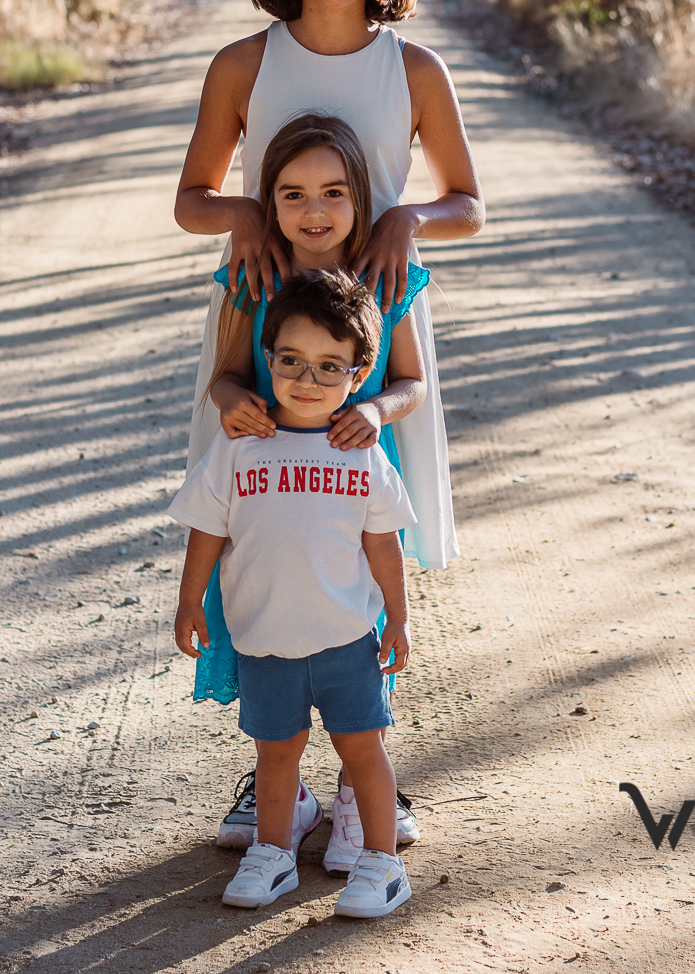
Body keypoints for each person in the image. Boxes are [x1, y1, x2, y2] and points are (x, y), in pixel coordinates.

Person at [175, 0, 485, 843]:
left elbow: (468, 203)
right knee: (262, 538)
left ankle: (363, 781)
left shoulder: (414, 68)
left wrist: (407, 220)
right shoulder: (244, 63)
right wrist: (243, 219)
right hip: (266, 314)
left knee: (364, 536)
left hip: (372, 323)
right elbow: (191, 199)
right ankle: (274, 779)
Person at [201, 112, 427, 872]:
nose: (315, 211)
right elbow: (225, 374)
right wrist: (230, 397)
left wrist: (374, 407)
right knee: (279, 618)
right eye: (292, 195)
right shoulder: (252, 278)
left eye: (334, 192)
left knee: (354, 621)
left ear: (360, 198)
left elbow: (412, 382)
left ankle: (363, 799)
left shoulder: (383, 279)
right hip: (268, 480)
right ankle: (285, 795)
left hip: (350, 465)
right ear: (268, 201)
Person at [171, 271, 417, 918]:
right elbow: (207, 530)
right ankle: (274, 853)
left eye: (329, 366)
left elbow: (383, 545)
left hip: (345, 642)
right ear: (268, 357)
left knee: (363, 749)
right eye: (292, 362)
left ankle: (382, 863)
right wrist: (189, 599)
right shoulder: (241, 443)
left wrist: (398, 618)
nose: (307, 380)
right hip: (265, 640)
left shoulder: (360, 453)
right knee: (275, 756)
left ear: (359, 374)